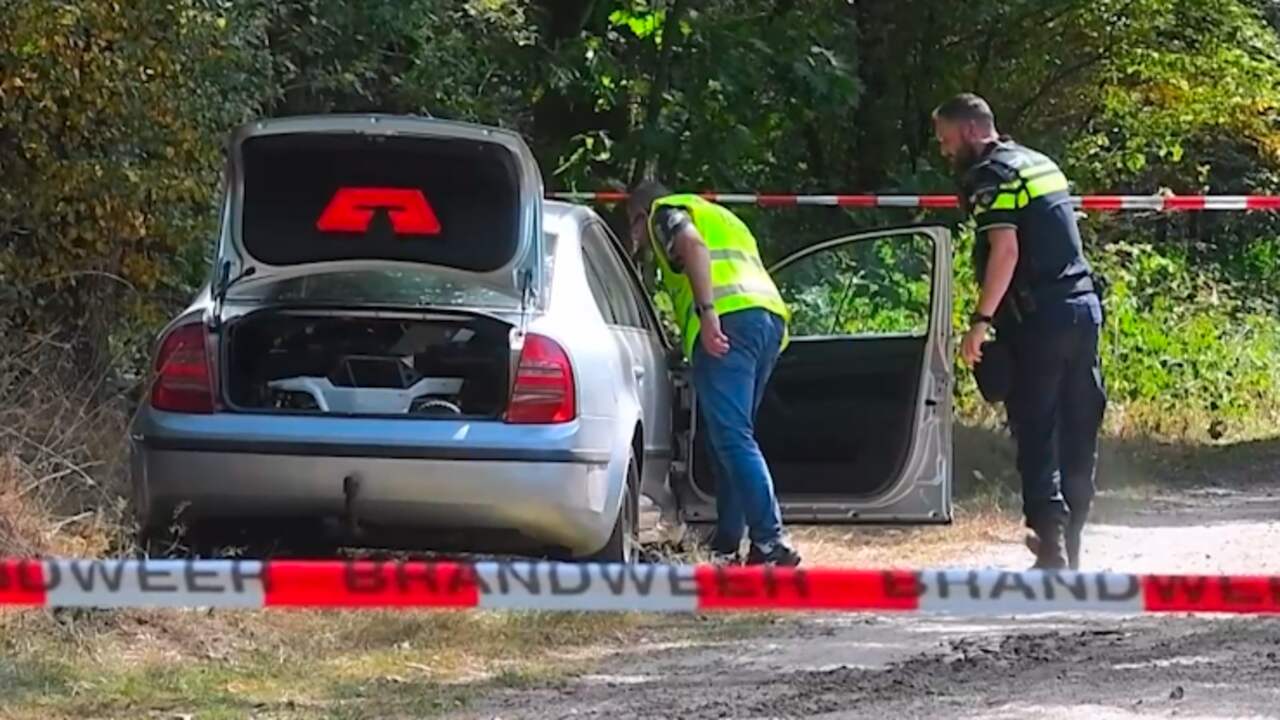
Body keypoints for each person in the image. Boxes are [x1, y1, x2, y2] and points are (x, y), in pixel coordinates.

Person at [932, 92, 1108, 570]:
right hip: (1083, 309)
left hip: (1038, 319)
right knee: (1078, 427)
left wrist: (980, 322)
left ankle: (1051, 544)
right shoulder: (1039, 162)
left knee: (1036, 427)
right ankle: (1072, 543)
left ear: (971, 129)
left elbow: (1005, 251)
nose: (945, 151)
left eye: (947, 140)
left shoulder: (992, 175)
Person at [627, 180, 801, 567]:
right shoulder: (722, 215)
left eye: (633, 227)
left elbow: (692, 246)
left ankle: (770, 540)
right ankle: (727, 541)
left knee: (732, 438)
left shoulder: (664, 212)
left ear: (639, 215)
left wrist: (707, 314)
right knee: (730, 437)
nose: (639, 238)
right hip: (767, 321)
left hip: (727, 322)